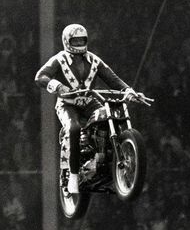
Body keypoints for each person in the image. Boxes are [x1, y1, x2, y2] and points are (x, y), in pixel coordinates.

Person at [35, 23, 139, 194]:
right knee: (73, 128)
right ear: (67, 42)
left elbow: (112, 78)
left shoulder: (94, 60)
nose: (78, 44)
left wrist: (128, 90)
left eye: (81, 40)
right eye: (75, 41)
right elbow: (40, 76)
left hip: (90, 102)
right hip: (67, 103)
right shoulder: (59, 59)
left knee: (109, 117)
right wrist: (59, 86)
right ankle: (74, 176)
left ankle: (106, 157)